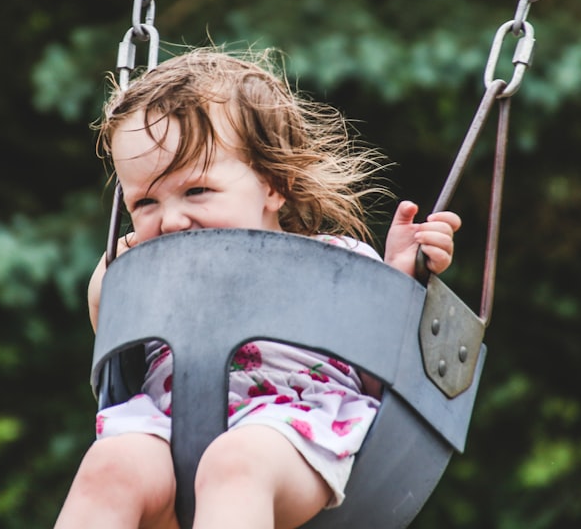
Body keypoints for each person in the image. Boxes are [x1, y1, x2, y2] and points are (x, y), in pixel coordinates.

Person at [54, 47, 461, 529]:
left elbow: (381, 381)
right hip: (165, 433)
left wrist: (397, 280)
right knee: (109, 466)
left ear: (273, 183)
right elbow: (116, 348)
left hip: (290, 436)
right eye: (145, 201)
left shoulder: (335, 262)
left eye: (196, 190)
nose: (171, 219)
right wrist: (113, 277)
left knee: (236, 463)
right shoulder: (156, 275)